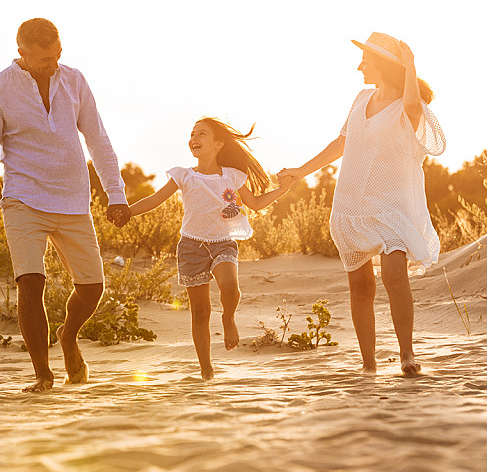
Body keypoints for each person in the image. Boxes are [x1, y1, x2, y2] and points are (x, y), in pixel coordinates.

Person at [0, 18, 130, 392]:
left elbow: (99, 141)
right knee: (30, 282)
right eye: (44, 58)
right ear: (21, 51)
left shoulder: (74, 81)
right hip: (23, 198)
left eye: (57, 54)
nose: (53, 63)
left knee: (92, 287)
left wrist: (116, 194)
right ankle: (43, 375)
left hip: (73, 199)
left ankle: (68, 336)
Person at [279, 32, 446, 377]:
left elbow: (414, 107)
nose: (359, 67)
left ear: (384, 64)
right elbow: (340, 144)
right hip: (353, 204)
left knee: (395, 275)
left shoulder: (407, 105)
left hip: (394, 206)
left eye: (365, 61)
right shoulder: (360, 99)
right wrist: (299, 172)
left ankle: (407, 355)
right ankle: (368, 363)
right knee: (360, 285)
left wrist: (410, 63)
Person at [126, 117, 295, 380]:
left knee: (230, 286)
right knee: (201, 311)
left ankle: (228, 318)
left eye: (202, 134)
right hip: (191, 246)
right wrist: (128, 212)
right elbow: (155, 200)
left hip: (222, 242)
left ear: (218, 144)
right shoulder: (184, 174)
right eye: (192, 134)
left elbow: (256, 204)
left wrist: (282, 191)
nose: (194, 138)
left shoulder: (233, 176)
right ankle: (206, 369)